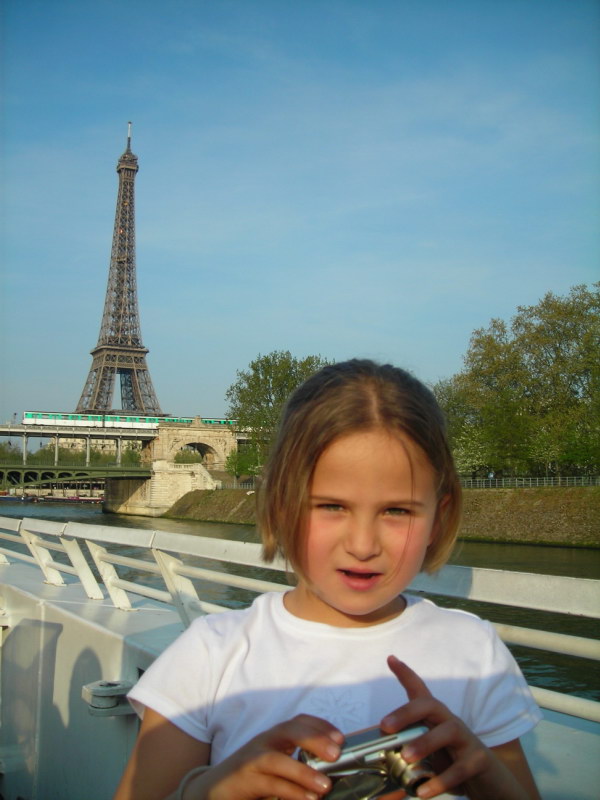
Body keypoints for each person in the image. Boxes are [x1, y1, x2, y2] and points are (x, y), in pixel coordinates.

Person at [114, 359, 541, 800]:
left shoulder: (476, 653)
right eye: (331, 507)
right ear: (280, 507)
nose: (362, 544)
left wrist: (486, 778)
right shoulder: (206, 656)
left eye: (397, 511)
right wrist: (210, 791)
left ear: (440, 517)